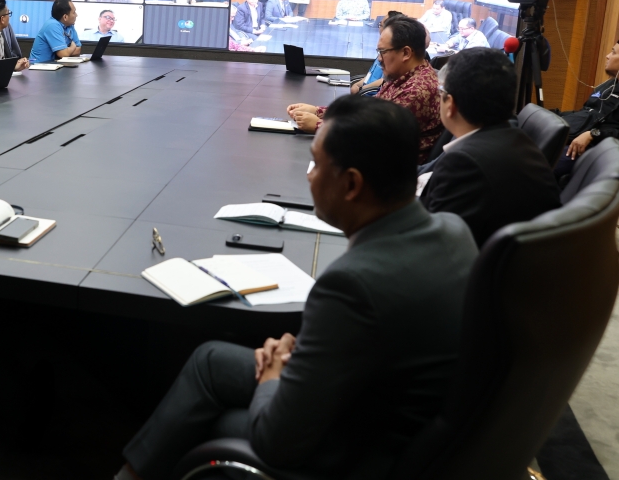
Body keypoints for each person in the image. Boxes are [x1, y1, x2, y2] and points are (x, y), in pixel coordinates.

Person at [116, 95, 478, 480]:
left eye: (317, 164)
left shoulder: (353, 282)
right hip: (389, 405)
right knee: (210, 362)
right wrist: (305, 350)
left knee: (221, 421)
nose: (309, 175)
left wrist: (274, 372)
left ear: (352, 183)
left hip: (360, 449)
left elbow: (276, 441)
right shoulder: (454, 230)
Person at [420, 48, 561, 247]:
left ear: (450, 104)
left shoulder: (465, 163)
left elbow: (433, 245)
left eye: (440, 93)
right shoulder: (514, 137)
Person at [289, 16, 442, 163]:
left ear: (406, 53)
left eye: (383, 52)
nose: (380, 59)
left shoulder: (417, 91)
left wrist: (319, 126)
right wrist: (319, 111)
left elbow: (372, 138)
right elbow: (367, 115)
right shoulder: (403, 77)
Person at [556, 40, 619, 175]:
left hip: (593, 149)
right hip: (571, 137)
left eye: (613, 52)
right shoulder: (608, 85)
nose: (607, 56)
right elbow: (585, 113)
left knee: (537, 165)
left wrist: (594, 134)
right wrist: (555, 116)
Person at [29, 0, 81, 64]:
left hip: (54, 67)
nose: (76, 15)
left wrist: (68, 51)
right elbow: (63, 54)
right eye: (74, 12)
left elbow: (78, 50)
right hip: (38, 68)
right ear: (65, 17)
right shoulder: (52, 25)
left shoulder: (69, 25)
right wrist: (72, 47)